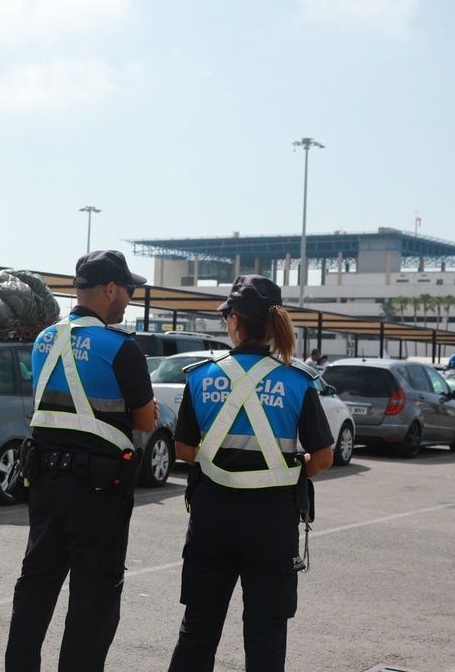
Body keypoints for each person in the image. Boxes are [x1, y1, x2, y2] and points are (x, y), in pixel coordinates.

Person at [168, 275, 334, 672]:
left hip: (212, 517)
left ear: (235, 321)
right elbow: (324, 457)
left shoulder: (200, 376)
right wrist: (286, 474)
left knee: (199, 629)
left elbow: (184, 450)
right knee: (266, 633)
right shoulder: (298, 382)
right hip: (272, 522)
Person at [5, 249, 158, 672]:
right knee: (93, 602)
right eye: (127, 290)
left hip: (45, 484)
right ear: (110, 290)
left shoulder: (44, 339)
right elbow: (146, 420)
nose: (128, 298)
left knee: (35, 589)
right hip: (97, 491)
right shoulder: (122, 348)